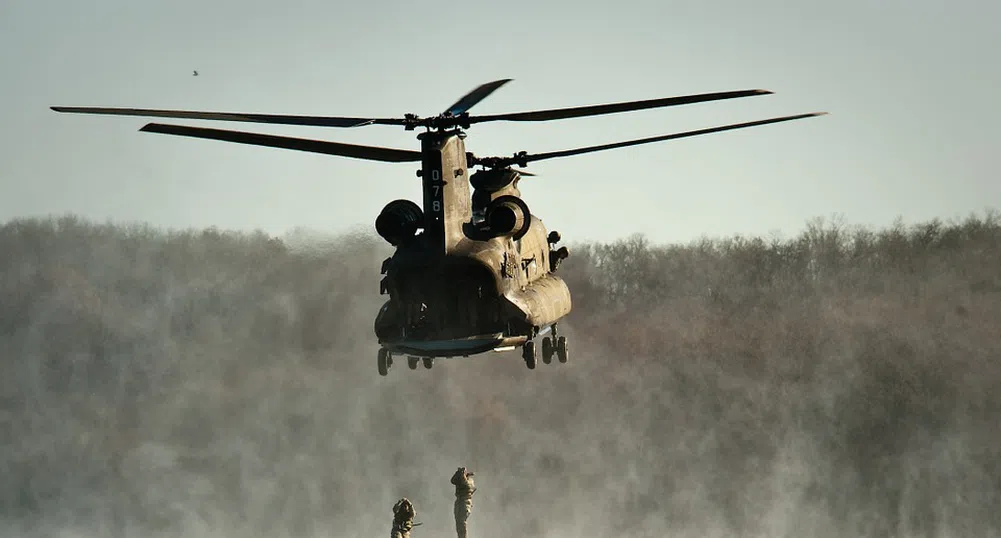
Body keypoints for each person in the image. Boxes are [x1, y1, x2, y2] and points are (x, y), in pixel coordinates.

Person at [450, 467, 476, 538]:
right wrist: (458, 473)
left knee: (462, 524)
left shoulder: (470, 482)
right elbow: (452, 481)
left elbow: (465, 484)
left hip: (465, 504)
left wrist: (462, 474)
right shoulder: (461, 480)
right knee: (459, 525)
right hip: (459, 503)